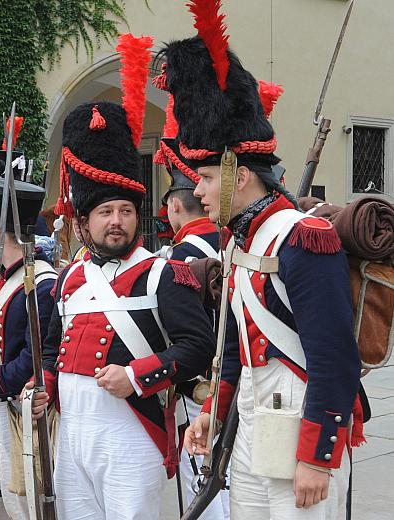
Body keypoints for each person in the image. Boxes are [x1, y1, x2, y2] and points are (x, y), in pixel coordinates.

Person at [165, 3, 363, 518]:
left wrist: (319, 458)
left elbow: (334, 357)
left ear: (239, 174)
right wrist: (212, 411)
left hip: (300, 422)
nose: (199, 192)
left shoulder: (303, 237)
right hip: (252, 422)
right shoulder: (238, 242)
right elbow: (234, 351)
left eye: (206, 179)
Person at [25, 47, 215, 516]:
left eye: (126, 211)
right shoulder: (69, 279)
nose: (117, 222)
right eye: (105, 212)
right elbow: (52, 348)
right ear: (84, 222)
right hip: (73, 436)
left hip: (134, 436)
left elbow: (197, 347)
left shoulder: (163, 273)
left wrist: (136, 376)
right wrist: (42, 384)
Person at [155, 97, 227, 519]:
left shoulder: (175, 260)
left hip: (200, 389)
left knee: (203, 484)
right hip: (235, 381)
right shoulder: (235, 243)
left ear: (176, 206)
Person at [0, 174, 57, 519]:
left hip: (29, 411)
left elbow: (31, 362)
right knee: (17, 502)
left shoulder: (39, 283)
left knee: (35, 504)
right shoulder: (8, 278)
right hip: (8, 407)